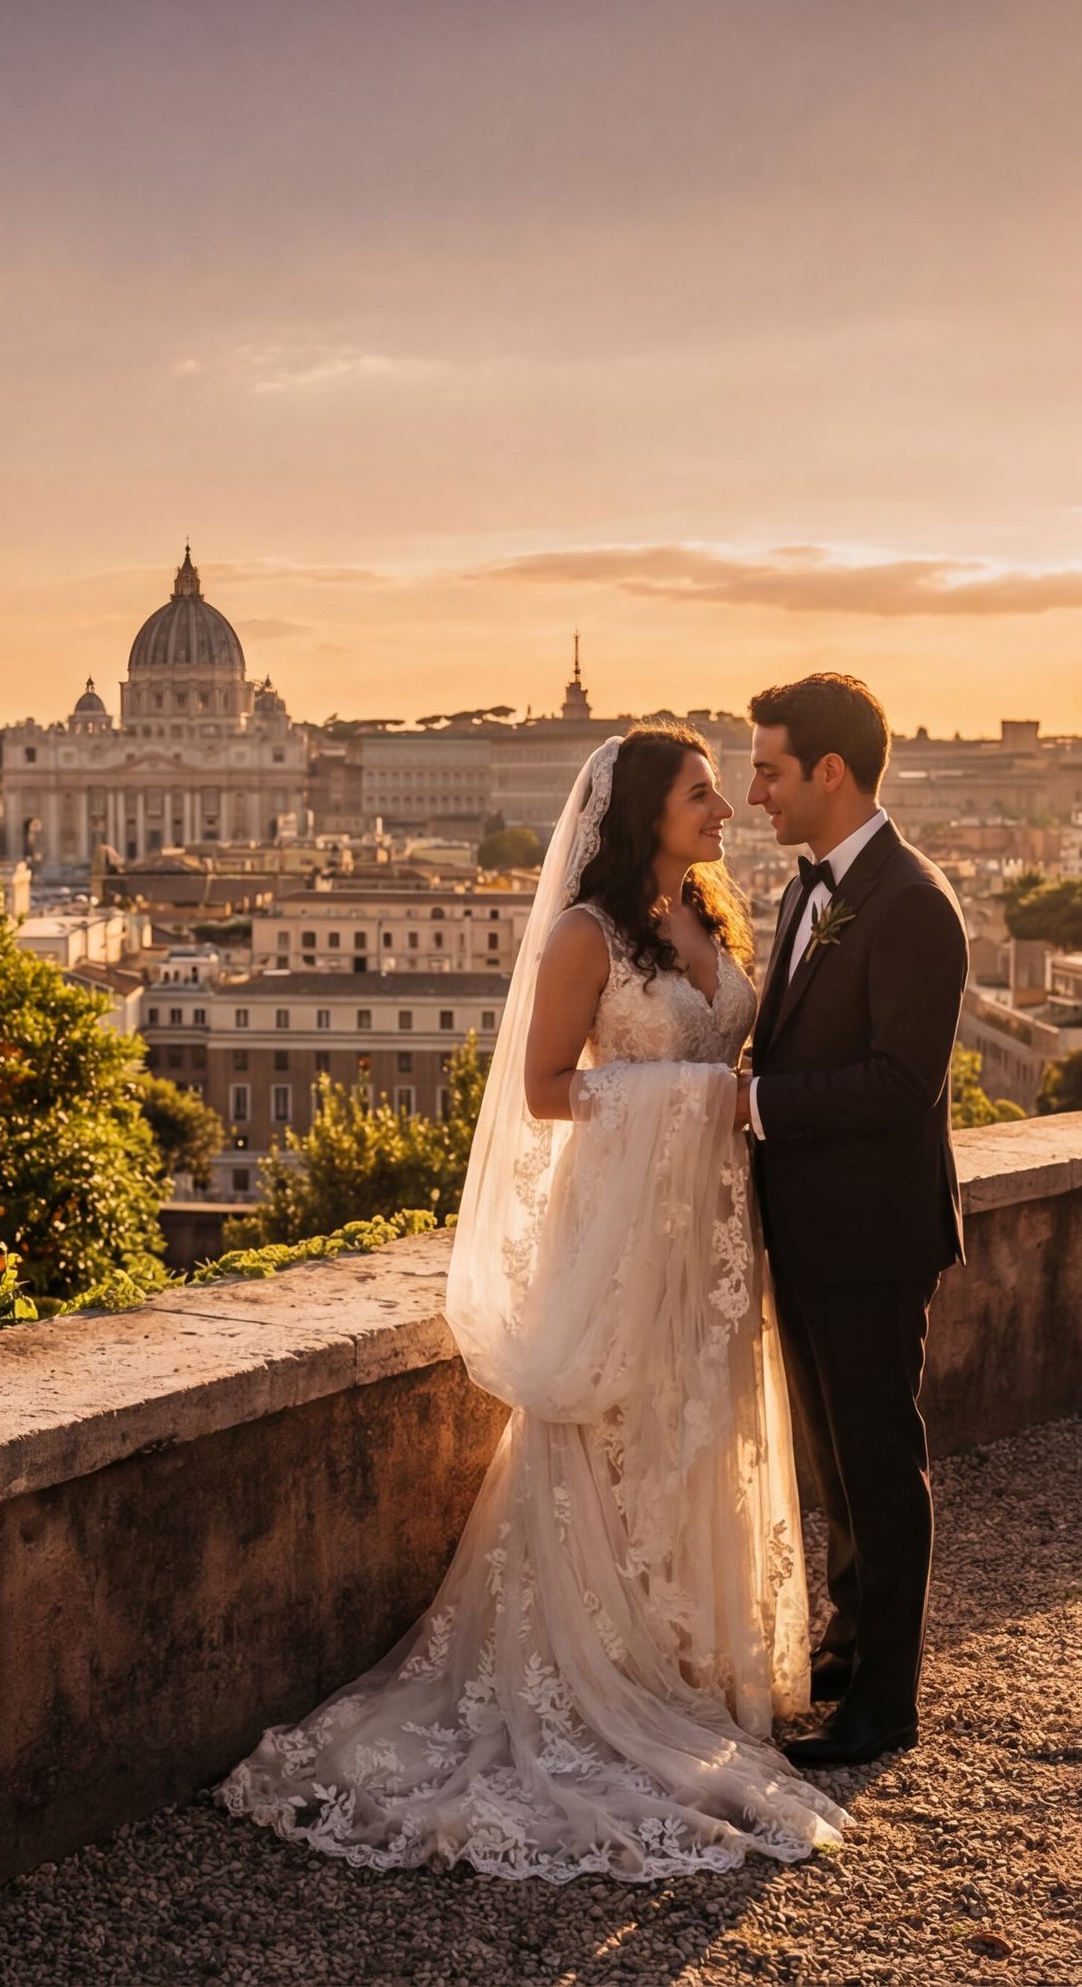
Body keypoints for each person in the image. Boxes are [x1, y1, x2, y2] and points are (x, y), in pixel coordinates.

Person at [220, 727, 849, 1879]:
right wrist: (702, 1090)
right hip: (619, 1232)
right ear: (643, 816)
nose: (725, 810)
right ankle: (611, 1675)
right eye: (702, 795)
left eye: (722, 791)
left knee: (699, 1435)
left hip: (707, 1231)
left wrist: (722, 1100)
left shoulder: (717, 909)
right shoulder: (583, 934)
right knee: (614, 1443)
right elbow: (545, 1091)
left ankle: (688, 1669)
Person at [736, 673, 967, 1770]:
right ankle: (846, 1650)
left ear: (831, 772)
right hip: (811, 1227)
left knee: (878, 1463)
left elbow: (900, 1082)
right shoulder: (807, 891)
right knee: (832, 1464)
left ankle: (888, 1702)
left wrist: (757, 1104)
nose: (753, 791)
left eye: (770, 768)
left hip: (871, 1233)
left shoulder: (915, 903)